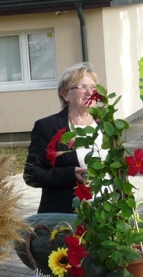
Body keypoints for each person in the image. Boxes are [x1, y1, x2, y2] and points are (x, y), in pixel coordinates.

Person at [24, 63, 102, 213]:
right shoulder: (48, 127)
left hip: (107, 213)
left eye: (93, 87)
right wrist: (70, 174)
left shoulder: (106, 125)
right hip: (67, 214)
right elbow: (31, 174)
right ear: (65, 94)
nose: (89, 92)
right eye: (82, 87)